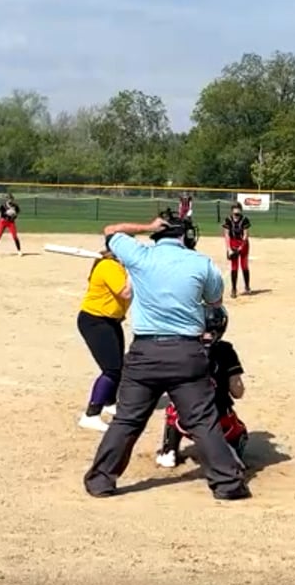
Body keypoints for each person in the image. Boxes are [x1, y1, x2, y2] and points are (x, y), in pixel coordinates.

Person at [83, 209, 249, 502]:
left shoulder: (140, 256)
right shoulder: (201, 263)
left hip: (145, 352)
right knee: (203, 421)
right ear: (185, 235)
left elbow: (111, 230)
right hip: (187, 351)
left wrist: (146, 226)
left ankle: (100, 481)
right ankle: (227, 484)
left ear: (158, 233)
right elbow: (214, 302)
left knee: (127, 420)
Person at [157, 304, 247, 468]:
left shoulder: (181, 348)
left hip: (185, 419)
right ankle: (227, 452)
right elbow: (237, 391)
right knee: (239, 430)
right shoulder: (226, 350)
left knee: (174, 407)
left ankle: (169, 451)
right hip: (219, 421)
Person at [76, 235, 133, 432]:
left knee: (118, 365)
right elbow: (125, 292)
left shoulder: (117, 266)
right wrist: (136, 272)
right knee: (111, 369)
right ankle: (91, 414)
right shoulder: (109, 266)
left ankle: (109, 402)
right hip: (95, 321)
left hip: (110, 321)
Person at [222, 204, 253, 297]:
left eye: (238, 214)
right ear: (232, 212)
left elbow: (246, 235)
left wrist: (241, 247)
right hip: (233, 242)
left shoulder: (244, 220)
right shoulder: (228, 220)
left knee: (244, 265)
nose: (236, 216)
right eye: (235, 214)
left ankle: (247, 286)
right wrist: (229, 249)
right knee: (234, 266)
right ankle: (234, 289)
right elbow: (226, 235)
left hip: (243, 243)